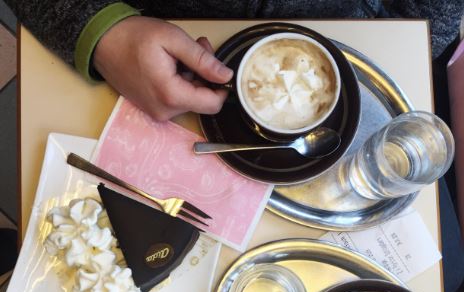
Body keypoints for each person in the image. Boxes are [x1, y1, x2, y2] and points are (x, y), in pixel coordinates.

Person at [5, 0, 464, 122]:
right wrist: (99, 30)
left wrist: (401, 45)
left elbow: (434, 16)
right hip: (145, 46)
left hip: (360, 49)